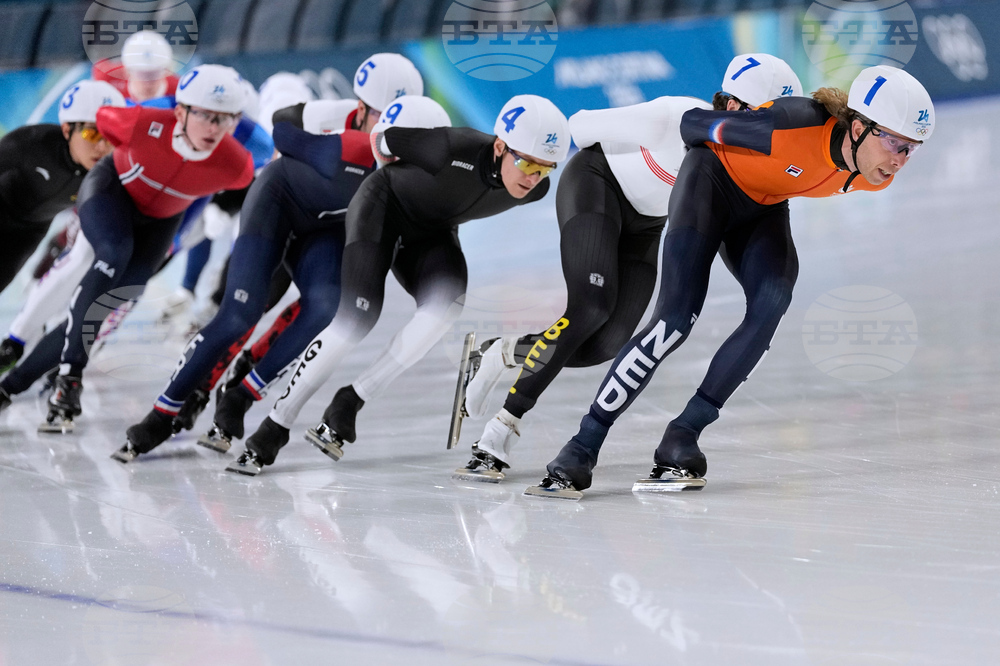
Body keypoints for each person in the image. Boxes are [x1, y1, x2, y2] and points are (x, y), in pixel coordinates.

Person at [525, 65, 935, 499]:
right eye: (895, 144)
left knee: (772, 300)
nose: (900, 161)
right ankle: (583, 445)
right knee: (674, 319)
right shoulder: (789, 124)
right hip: (710, 185)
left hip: (763, 206)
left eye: (912, 150)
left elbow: (795, 177)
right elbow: (691, 126)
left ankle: (682, 435)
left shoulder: (876, 176)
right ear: (857, 128)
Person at [453, 53, 803, 483]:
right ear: (731, 107)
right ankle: (498, 435)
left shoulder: (754, 159)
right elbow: (578, 125)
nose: (776, 131)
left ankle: (505, 352)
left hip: (648, 225)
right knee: (589, 309)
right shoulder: (675, 116)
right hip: (598, 186)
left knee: (606, 345)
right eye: (768, 118)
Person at [228, 95, 570, 475]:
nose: (533, 178)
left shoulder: (533, 188)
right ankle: (275, 424)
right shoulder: (448, 146)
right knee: (355, 319)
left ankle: (350, 401)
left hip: (432, 234)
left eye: (545, 168)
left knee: (445, 308)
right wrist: (394, 173)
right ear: (500, 146)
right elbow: (381, 138)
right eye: (526, 163)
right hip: (382, 210)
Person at [116, 96, 448, 467]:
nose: (398, 168)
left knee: (327, 307)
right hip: (276, 205)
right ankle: (162, 415)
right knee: (240, 314)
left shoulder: (418, 190)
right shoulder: (351, 148)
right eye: (391, 154)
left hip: (324, 228)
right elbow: (284, 134)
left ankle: (241, 395)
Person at [30, 64, 255, 432]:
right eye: (207, 117)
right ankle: (66, 369)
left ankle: (65, 356)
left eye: (226, 120)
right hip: (121, 192)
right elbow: (104, 123)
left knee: (127, 290)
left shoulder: (239, 154)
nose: (215, 128)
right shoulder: (142, 113)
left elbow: (219, 184)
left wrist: (213, 213)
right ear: (180, 110)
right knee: (100, 260)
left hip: (170, 215)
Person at [0, 80, 125, 306]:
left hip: (30, 232)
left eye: (111, 135)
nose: (102, 147)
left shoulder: (114, 169)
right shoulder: (31, 143)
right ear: (67, 130)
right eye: (92, 134)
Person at [92, 30, 179, 102]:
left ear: (167, 72)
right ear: (127, 71)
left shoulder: (178, 90)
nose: (148, 84)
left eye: (154, 75)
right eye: (142, 75)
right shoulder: (108, 78)